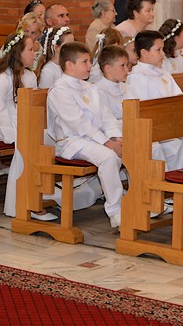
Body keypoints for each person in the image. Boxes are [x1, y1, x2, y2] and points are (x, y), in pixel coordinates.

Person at [0, 31, 55, 220]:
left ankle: (44, 192)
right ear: (18, 52)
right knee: (27, 143)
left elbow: (32, 105)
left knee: (48, 138)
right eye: (30, 50)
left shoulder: (29, 76)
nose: (34, 54)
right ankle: (23, 201)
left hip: (21, 121)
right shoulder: (1, 78)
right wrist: (12, 135)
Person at [47, 41, 124, 229]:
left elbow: (106, 117)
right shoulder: (59, 90)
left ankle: (141, 202)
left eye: (89, 61)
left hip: (94, 140)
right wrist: (107, 143)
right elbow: (79, 124)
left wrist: (117, 138)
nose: (90, 65)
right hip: (72, 142)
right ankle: (116, 211)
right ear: (69, 65)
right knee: (108, 157)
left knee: (135, 147)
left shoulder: (90, 87)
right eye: (85, 62)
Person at [125, 30, 183, 171]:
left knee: (176, 144)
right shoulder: (136, 78)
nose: (162, 54)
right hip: (150, 128)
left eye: (162, 49)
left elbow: (179, 98)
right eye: (158, 50)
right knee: (166, 146)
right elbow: (143, 110)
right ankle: (160, 181)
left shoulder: (164, 73)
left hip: (167, 125)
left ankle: (175, 181)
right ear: (144, 52)